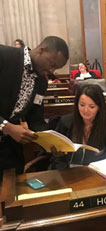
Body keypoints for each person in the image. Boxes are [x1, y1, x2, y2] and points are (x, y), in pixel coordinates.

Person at [0, 36, 69, 180]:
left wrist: (52, 142)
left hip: (8, 149)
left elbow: (35, 119)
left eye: (56, 68)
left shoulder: (41, 83)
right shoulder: (4, 56)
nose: (52, 71)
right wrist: (7, 127)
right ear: (41, 50)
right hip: (8, 132)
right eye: (52, 64)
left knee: (11, 195)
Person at [50, 84, 106, 169]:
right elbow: (58, 160)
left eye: (91, 106)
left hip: (98, 173)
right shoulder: (66, 122)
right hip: (68, 172)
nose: (85, 110)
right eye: (82, 105)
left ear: (99, 107)